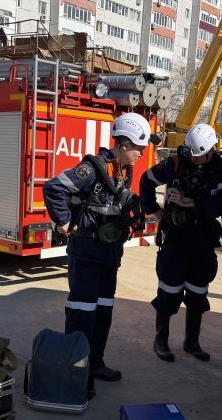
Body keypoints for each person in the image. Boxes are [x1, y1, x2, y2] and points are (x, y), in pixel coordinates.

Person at [43, 112, 152, 395]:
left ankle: (95, 363)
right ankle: (75, 372)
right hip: (87, 253)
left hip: (109, 255)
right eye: (139, 148)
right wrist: (63, 221)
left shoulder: (122, 172)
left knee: (103, 312)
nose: (142, 154)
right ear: (124, 144)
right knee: (82, 313)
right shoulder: (93, 169)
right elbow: (54, 187)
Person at [139, 123, 222, 362]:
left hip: (203, 238)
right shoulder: (175, 163)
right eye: (192, 155)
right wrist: (154, 211)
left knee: (197, 290)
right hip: (176, 235)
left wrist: (190, 204)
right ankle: (160, 340)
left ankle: (191, 342)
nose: (194, 160)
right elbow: (146, 180)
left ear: (212, 149)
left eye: (199, 156)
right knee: (169, 289)